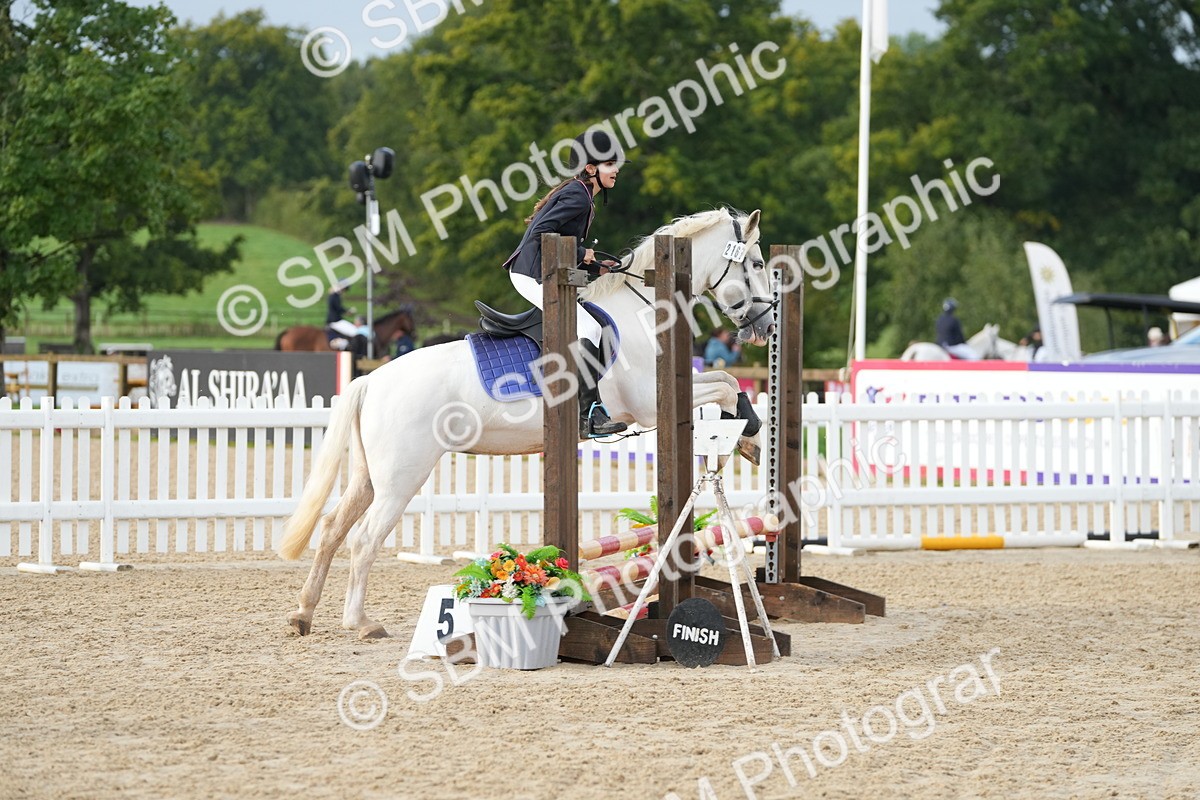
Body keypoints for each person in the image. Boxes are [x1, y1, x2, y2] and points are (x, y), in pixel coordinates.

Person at [501, 129, 628, 438]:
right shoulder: (577, 195)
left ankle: (590, 407)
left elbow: (561, 246)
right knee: (590, 329)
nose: (617, 170)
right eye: (610, 164)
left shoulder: (583, 196)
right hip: (530, 274)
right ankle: (589, 415)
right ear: (590, 168)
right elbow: (541, 235)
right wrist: (583, 252)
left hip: (543, 271)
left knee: (597, 323)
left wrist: (598, 266)